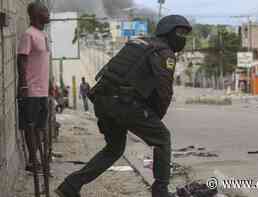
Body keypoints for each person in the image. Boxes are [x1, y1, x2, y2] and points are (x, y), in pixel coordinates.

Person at [55, 15, 192, 197]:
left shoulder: (139, 43)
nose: (183, 37)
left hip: (103, 100)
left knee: (114, 149)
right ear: (167, 32)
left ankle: (70, 185)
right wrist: (154, 118)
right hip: (124, 104)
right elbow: (164, 91)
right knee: (162, 138)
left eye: (185, 33)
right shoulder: (165, 53)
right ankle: (160, 192)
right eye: (180, 32)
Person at [17, 2, 50, 172]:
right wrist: (23, 85)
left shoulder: (43, 34)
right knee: (30, 126)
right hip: (30, 90)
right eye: (44, 10)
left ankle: (35, 159)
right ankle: (32, 161)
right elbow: (21, 59)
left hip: (42, 90)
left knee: (40, 127)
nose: (48, 13)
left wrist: (49, 85)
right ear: (36, 14)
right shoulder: (29, 34)